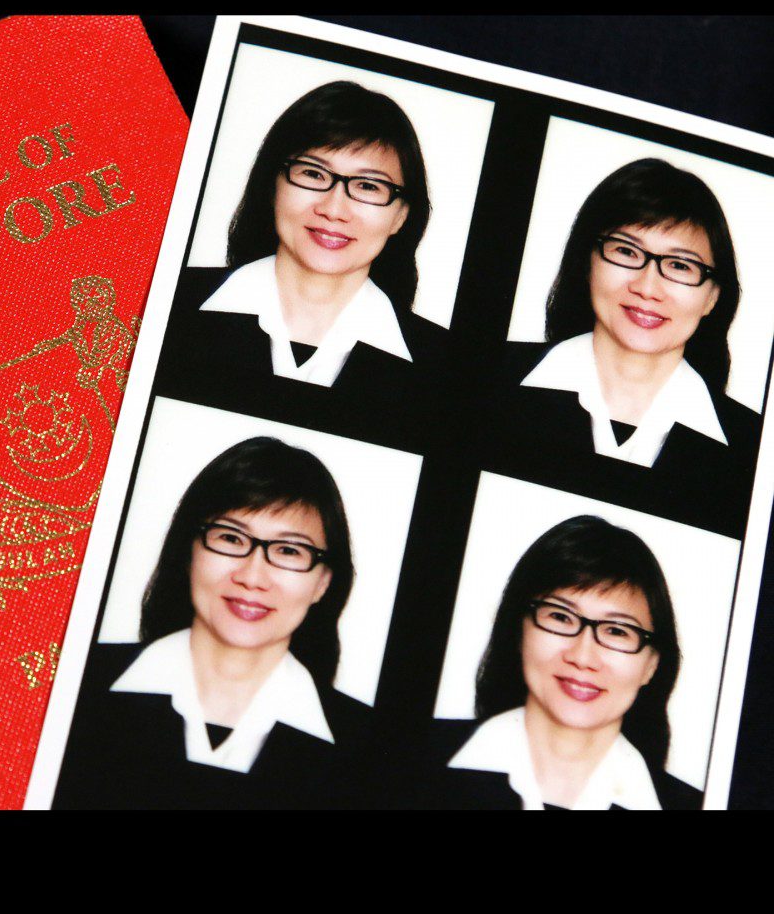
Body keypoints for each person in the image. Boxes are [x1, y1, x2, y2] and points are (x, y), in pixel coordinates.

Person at [53, 436, 371, 808]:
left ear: (323, 582)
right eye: (231, 538)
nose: (253, 577)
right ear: (189, 551)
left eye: (288, 550)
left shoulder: (370, 746)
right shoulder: (73, 679)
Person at [492, 159, 760, 534]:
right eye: (626, 252)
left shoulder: (757, 450)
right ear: (587, 262)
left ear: (713, 296)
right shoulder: (487, 376)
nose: (647, 287)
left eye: (681, 266)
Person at [159, 81, 448, 425]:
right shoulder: (168, 299)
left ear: (401, 215)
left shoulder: (445, 365)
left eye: (368, 186)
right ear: (272, 185)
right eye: (313, 173)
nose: (334, 208)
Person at [421, 516, 701, 810]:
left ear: (652, 665)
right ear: (519, 629)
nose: (582, 657)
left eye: (617, 631)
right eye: (560, 617)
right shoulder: (411, 752)